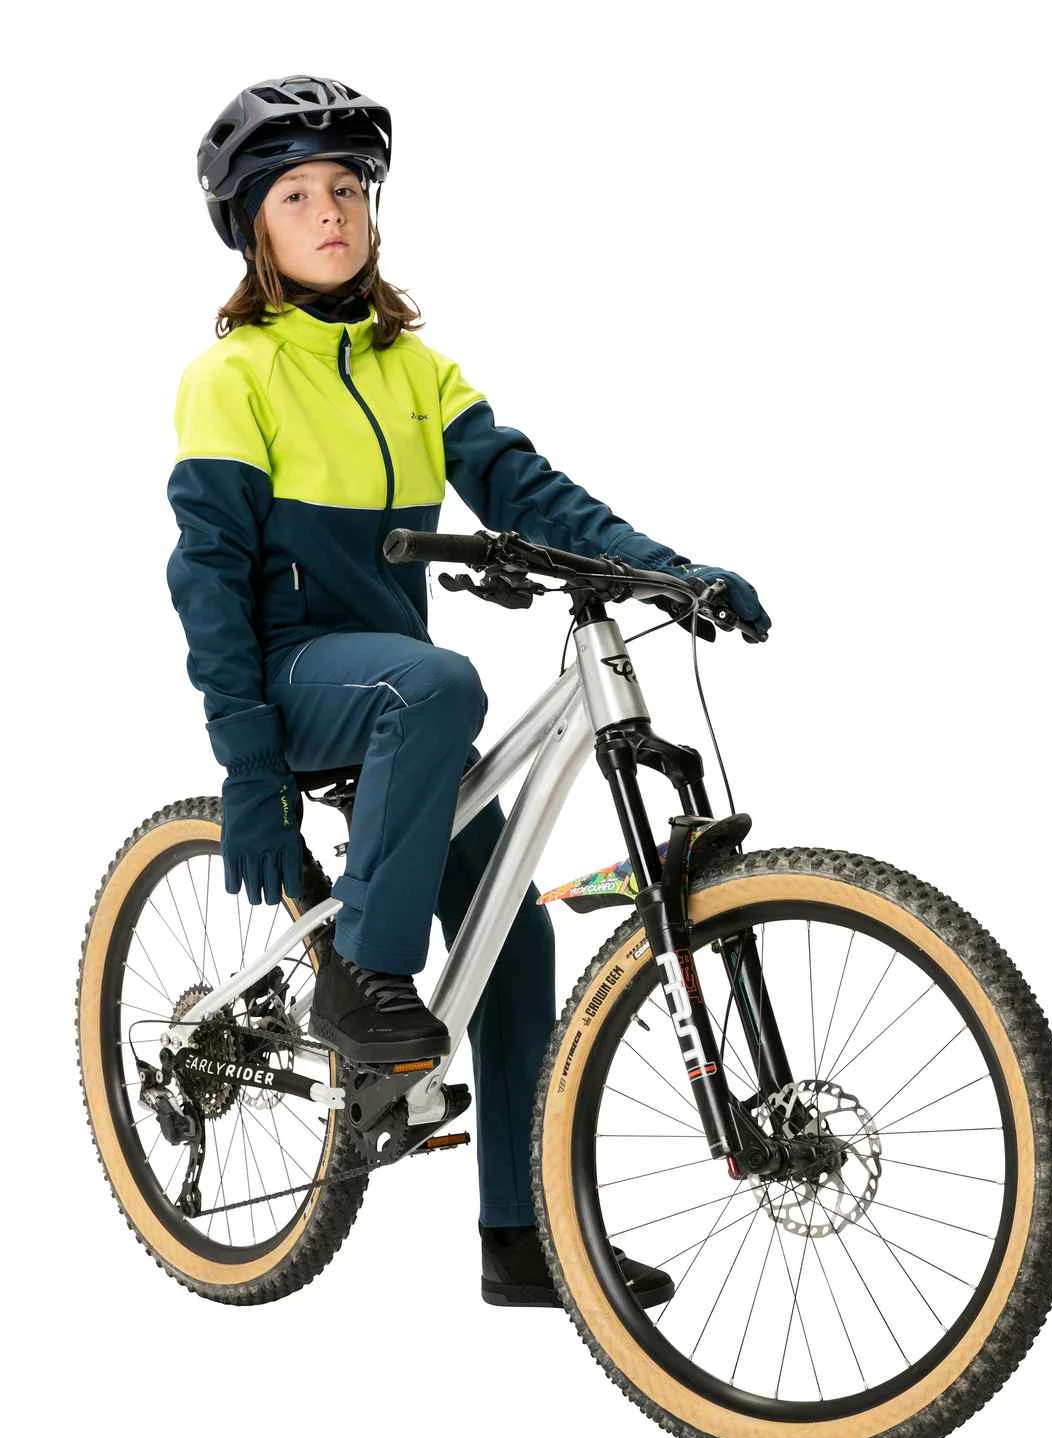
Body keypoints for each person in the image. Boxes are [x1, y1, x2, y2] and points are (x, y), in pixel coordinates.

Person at [166, 75, 772, 1306]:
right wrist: (249, 767)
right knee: (435, 681)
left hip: (401, 701)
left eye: (347, 188)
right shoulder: (233, 378)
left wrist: (669, 570)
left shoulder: (418, 372)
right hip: (299, 678)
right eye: (296, 195)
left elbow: (530, 494)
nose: (330, 211)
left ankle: (523, 1237)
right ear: (253, 229)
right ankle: (364, 985)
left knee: (518, 931)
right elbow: (208, 581)